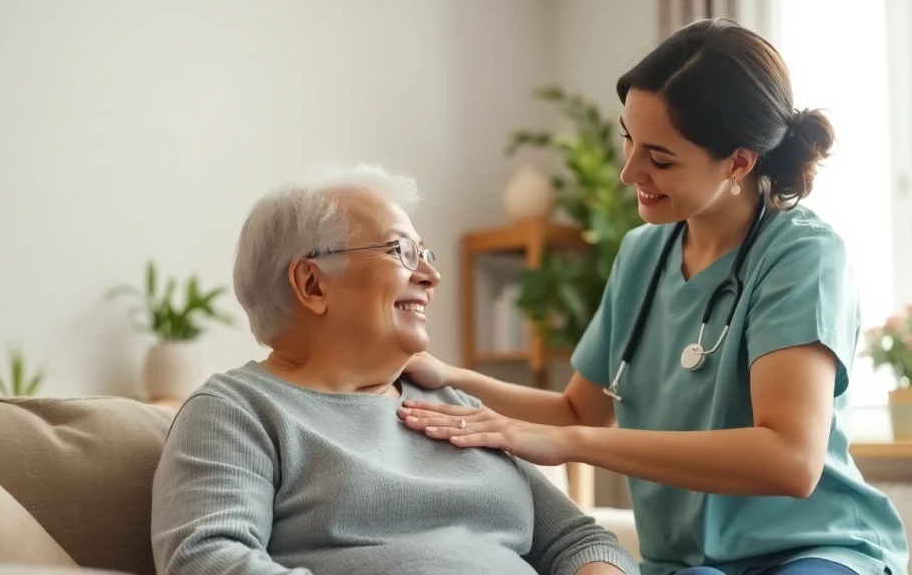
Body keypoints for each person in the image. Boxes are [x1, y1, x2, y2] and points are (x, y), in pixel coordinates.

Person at [398, 19, 909, 575]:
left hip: (813, 549)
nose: (628, 172)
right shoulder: (644, 253)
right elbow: (577, 408)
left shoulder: (802, 256)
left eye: (660, 158)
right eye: (628, 139)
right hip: (689, 564)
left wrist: (570, 443)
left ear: (738, 162)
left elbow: (790, 459)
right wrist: (452, 378)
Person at [149, 163, 640, 575]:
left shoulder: (452, 406)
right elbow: (207, 560)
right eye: (402, 251)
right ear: (312, 284)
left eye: (424, 254)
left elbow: (581, 542)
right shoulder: (236, 411)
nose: (431, 275)